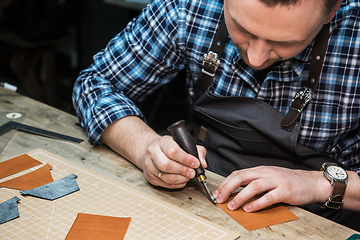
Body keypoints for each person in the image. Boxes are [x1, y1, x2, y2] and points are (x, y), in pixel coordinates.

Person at [73, 0, 360, 230]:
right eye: (242, 29)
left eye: (285, 43)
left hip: (323, 222)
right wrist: (145, 147)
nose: (257, 58)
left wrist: (318, 184)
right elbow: (96, 83)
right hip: (203, 198)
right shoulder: (190, 6)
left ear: (332, 10)